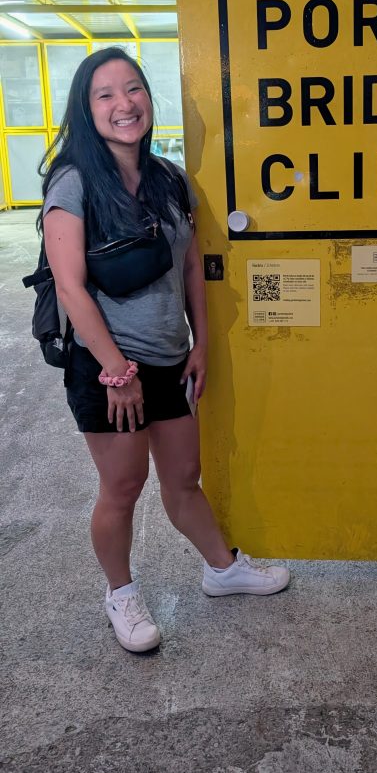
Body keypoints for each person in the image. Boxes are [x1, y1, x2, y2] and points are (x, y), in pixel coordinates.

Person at [40, 47, 290, 653]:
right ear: (86, 108)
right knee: (123, 488)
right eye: (105, 95)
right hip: (105, 368)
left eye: (133, 89)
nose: (124, 104)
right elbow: (70, 286)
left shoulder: (169, 180)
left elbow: (191, 268)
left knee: (183, 477)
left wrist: (200, 342)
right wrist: (116, 370)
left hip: (169, 357)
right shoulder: (72, 182)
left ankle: (222, 568)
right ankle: (120, 595)